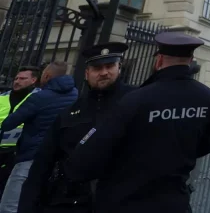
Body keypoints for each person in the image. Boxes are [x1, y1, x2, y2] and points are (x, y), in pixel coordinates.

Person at [64, 32, 210, 213]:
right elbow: (209, 143)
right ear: (191, 59)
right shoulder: (207, 97)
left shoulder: (137, 99)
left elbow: (96, 151)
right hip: (174, 199)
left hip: (127, 200)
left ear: (159, 60)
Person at [19, 43, 133, 213]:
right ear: (87, 73)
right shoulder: (72, 112)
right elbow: (43, 164)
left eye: (109, 66)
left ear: (119, 68)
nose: (104, 72)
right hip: (73, 201)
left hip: (121, 200)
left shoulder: (135, 102)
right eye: (97, 68)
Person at [0, 61, 77, 213]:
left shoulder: (39, 97)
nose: (17, 81)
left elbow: (9, 123)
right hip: (58, 157)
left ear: (46, 76)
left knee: (9, 204)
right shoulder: (74, 94)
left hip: (31, 154)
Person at [0, 67, 40, 194]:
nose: (17, 81)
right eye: (16, 78)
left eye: (22, 78)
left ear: (33, 80)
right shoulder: (2, 97)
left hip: (17, 151)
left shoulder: (38, 98)